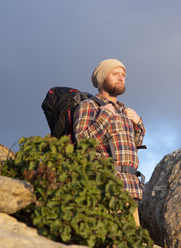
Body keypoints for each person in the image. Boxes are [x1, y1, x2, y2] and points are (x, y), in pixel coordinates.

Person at [73, 59, 145, 226]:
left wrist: (138, 124)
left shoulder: (123, 110)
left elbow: (133, 146)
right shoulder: (89, 106)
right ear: (102, 78)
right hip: (106, 186)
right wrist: (105, 116)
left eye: (123, 75)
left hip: (130, 187)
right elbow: (83, 142)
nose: (121, 78)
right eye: (115, 74)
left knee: (132, 241)